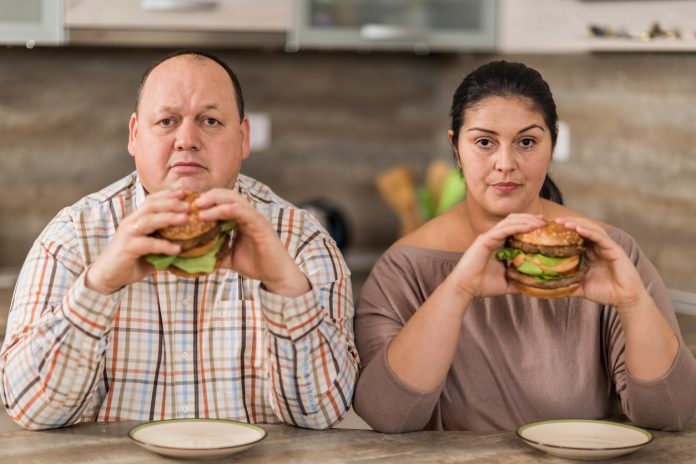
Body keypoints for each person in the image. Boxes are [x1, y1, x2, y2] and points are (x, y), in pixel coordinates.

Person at [0, 50, 358, 430]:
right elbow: (30, 409)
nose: (187, 140)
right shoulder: (73, 236)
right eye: (167, 121)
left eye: (211, 120)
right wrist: (98, 285)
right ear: (135, 135)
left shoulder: (302, 240)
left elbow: (323, 413)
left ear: (243, 137)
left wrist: (286, 287)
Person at [352, 60, 696, 433]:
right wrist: (459, 289)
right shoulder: (404, 267)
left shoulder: (611, 254)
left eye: (527, 142)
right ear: (456, 148)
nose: (505, 163)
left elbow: (671, 414)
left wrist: (632, 304)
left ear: (553, 146)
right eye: (484, 142)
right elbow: (386, 415)